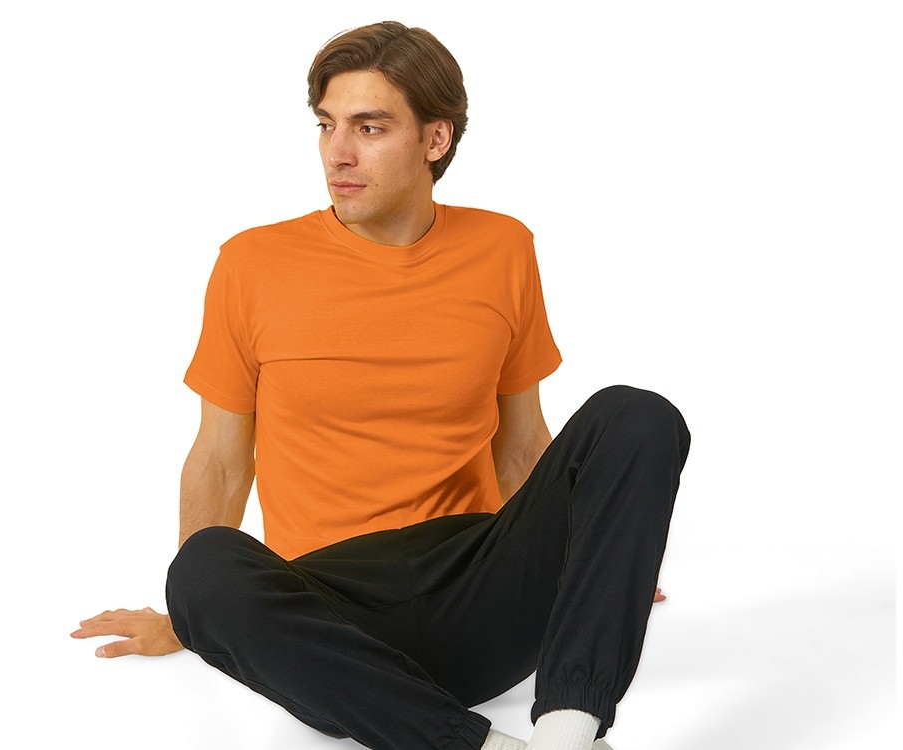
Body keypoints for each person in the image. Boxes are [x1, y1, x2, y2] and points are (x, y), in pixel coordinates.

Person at [71, 20, 691, 750]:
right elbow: (220, 460)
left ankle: (568, 727)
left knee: (638, 414)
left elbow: (524, 444)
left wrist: (602, 561)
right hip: (330, 621)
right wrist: (192, 616)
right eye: (326, 125)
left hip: (476, 582)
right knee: (201, 566)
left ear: (436, 139)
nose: (337, 152)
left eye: (369, 127)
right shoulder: (252, 265)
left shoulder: (504, 248)